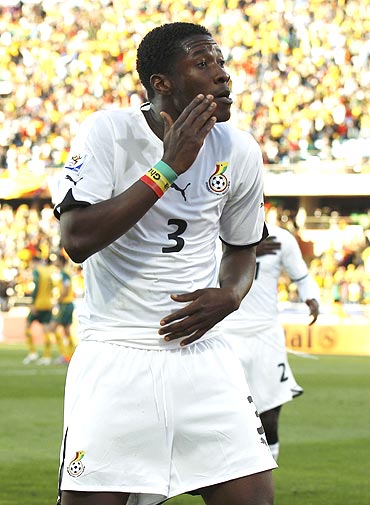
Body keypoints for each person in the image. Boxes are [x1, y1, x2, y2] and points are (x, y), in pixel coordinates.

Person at [54, 22, 277, 505]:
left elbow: (242, 246)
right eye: (203, 64)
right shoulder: (108, 132)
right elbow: (77, 239)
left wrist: (232, 294)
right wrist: (167, 167)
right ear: (162, 84)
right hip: (118, 353)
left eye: (221, 63)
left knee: (253, 499)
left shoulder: (238, 150)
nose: (223, 77)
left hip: (203, 355)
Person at [221, 223, 320, 461]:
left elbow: (302, 276)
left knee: (270, 416)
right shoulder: (213, 234)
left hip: (267, 335)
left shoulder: (281, 239)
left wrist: (312, 298)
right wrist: (240, 250)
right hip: (226, 334)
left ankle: (268, 476)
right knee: (225, 414)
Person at [22, 256, 55, 365]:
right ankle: (47, 356)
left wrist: (33, 303)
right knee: (46, 330)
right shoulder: (48, 271)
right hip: (48, 304)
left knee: (27, 326)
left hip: (38, 304)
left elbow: (36, 287)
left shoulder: (37, 271)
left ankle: (32, 353)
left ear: (34, 262)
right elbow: (52, 287)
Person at [49, 254, 76, 365]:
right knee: (66, 331)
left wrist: (58, 300)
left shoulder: (64, 274)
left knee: (52, 327)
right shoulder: (64, 274)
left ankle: (64, 355)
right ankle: (70, 355)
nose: (54, 262)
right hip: (68, 304)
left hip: (65, 304)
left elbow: (66, 288)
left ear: (61, 262)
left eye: (56, 260)